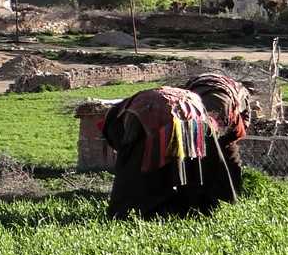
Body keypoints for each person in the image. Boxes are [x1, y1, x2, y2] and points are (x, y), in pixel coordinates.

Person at [101, 85, 239, 218]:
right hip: (194, 108)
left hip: (158, 110)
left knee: (134, 164)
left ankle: (140, 209)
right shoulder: (129, 105)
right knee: (191, 162)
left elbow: (126, 151)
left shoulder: (117, 117)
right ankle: (192, 204)